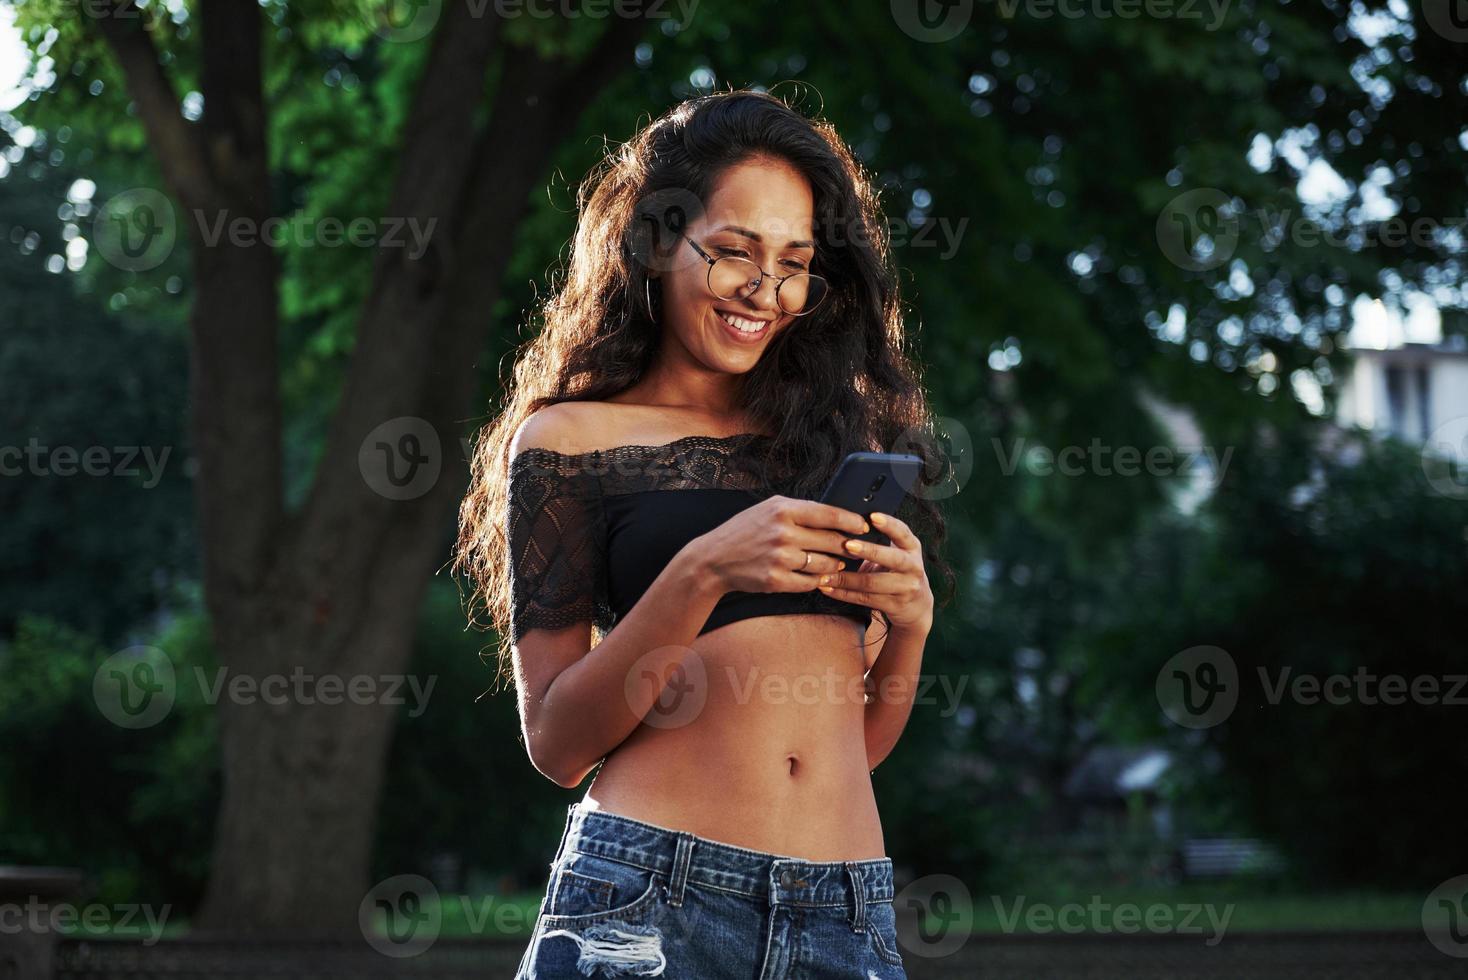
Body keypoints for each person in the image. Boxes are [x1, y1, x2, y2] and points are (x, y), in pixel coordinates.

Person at [455, 88, 954, 979]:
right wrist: (702, 571)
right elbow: (559, 744)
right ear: (655, 243)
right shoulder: (567, 442)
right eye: (733, 253)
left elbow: (857, 746)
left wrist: (911, 627)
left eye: (794, 263)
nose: (765, 291)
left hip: (846, 909)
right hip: (647, 899)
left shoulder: (838, 443)